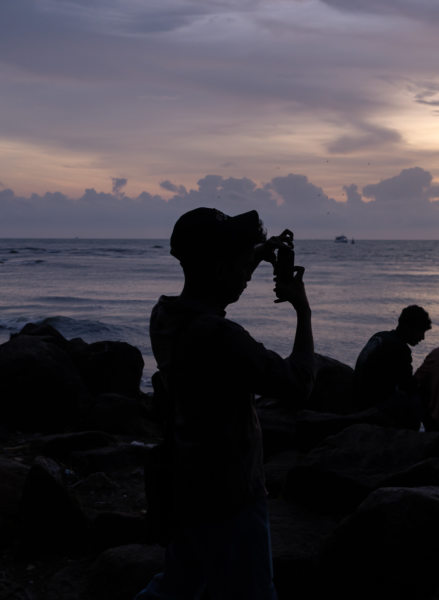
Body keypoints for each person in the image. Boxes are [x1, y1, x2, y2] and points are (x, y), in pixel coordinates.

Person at [136, 207, 315, 599]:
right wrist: (302, 309)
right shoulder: (222, 337)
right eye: (238, 264)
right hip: (231, 492)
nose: (246, 279)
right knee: (251, 591)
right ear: (219, 268)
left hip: (187, 479)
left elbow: (213, 281)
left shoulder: (165, 315)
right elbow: (299, 384)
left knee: (181, 581)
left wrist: (256, 253)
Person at [353, 304, 431, 428]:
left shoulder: (381, 336)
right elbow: (408, 386)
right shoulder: (399, 348)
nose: (422, 337)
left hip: (358, 395)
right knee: (419, 396)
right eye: (421, 331)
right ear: (409, 327)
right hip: (373, 404)